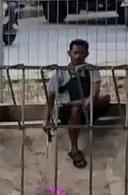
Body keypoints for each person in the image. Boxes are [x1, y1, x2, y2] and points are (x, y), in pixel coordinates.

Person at [42, 38, 109, 171]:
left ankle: (83, 111)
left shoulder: (91, 70)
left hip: (88, 108)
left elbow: (95, 93)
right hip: (68, 111)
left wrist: (89, 100)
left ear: (87, 54)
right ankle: (74, 149)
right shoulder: (59, 73)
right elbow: (50, 98)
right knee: (75, 109)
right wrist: (46, 120)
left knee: (105, 99)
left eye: (81, 53)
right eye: (75, 53)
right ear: (69, 53)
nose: (78, 56)